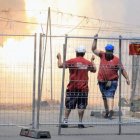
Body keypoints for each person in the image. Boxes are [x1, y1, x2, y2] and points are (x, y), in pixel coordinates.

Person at [91, 34, 130, 119]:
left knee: (110, 95)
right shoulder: (102, 55)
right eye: (107, 51)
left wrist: (127, 78)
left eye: (110, 52)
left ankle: (111, 110)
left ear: (112, 51)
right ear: (105, 51)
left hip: (112, 81)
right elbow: (93, 49)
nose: (108, 53)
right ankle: (107, 111)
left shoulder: (116, 60)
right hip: (101, 81)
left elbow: (122, 70)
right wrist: (95, 39)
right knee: (105, 96)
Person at [57, 46, 96, 128]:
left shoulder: (72, 61)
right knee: (81, 105)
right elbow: (94, 70)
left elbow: (60, 65)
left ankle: (65, 121)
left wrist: (59, 57)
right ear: (84, 53)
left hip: (72, 87)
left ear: (76, 53)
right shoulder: (87, 62)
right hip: (83, 88)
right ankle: (80, 122)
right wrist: (92, 60)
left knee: (69, 105)